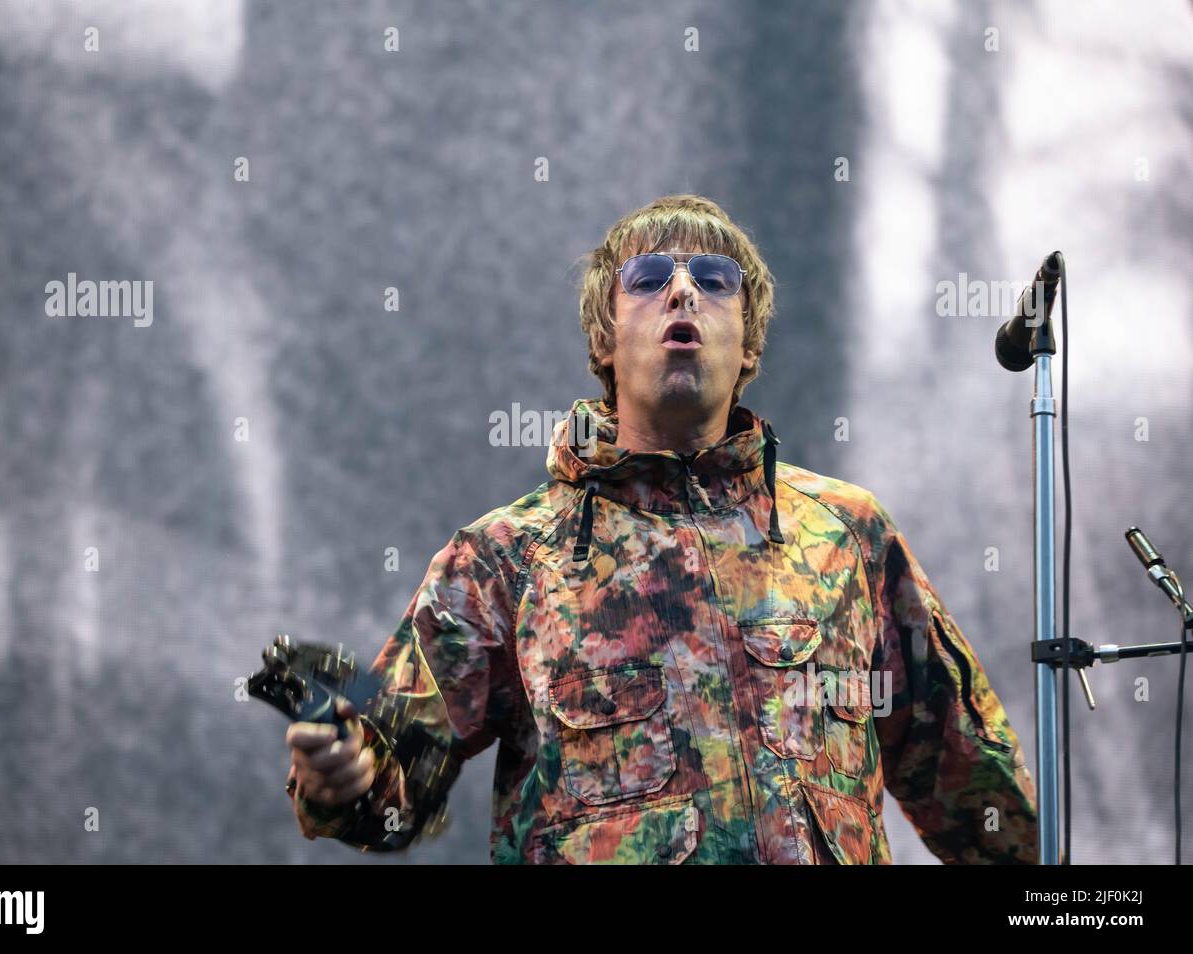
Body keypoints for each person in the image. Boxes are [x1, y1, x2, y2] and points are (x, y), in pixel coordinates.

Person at [285, 194, 1038, 864]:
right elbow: (388, 792)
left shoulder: (850, 536)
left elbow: (982, 794)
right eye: (647, 279)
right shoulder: (506, 558)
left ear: (749, 347)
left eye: (715, 280)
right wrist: (345, 774)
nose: (683, 289)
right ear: (603, 343)